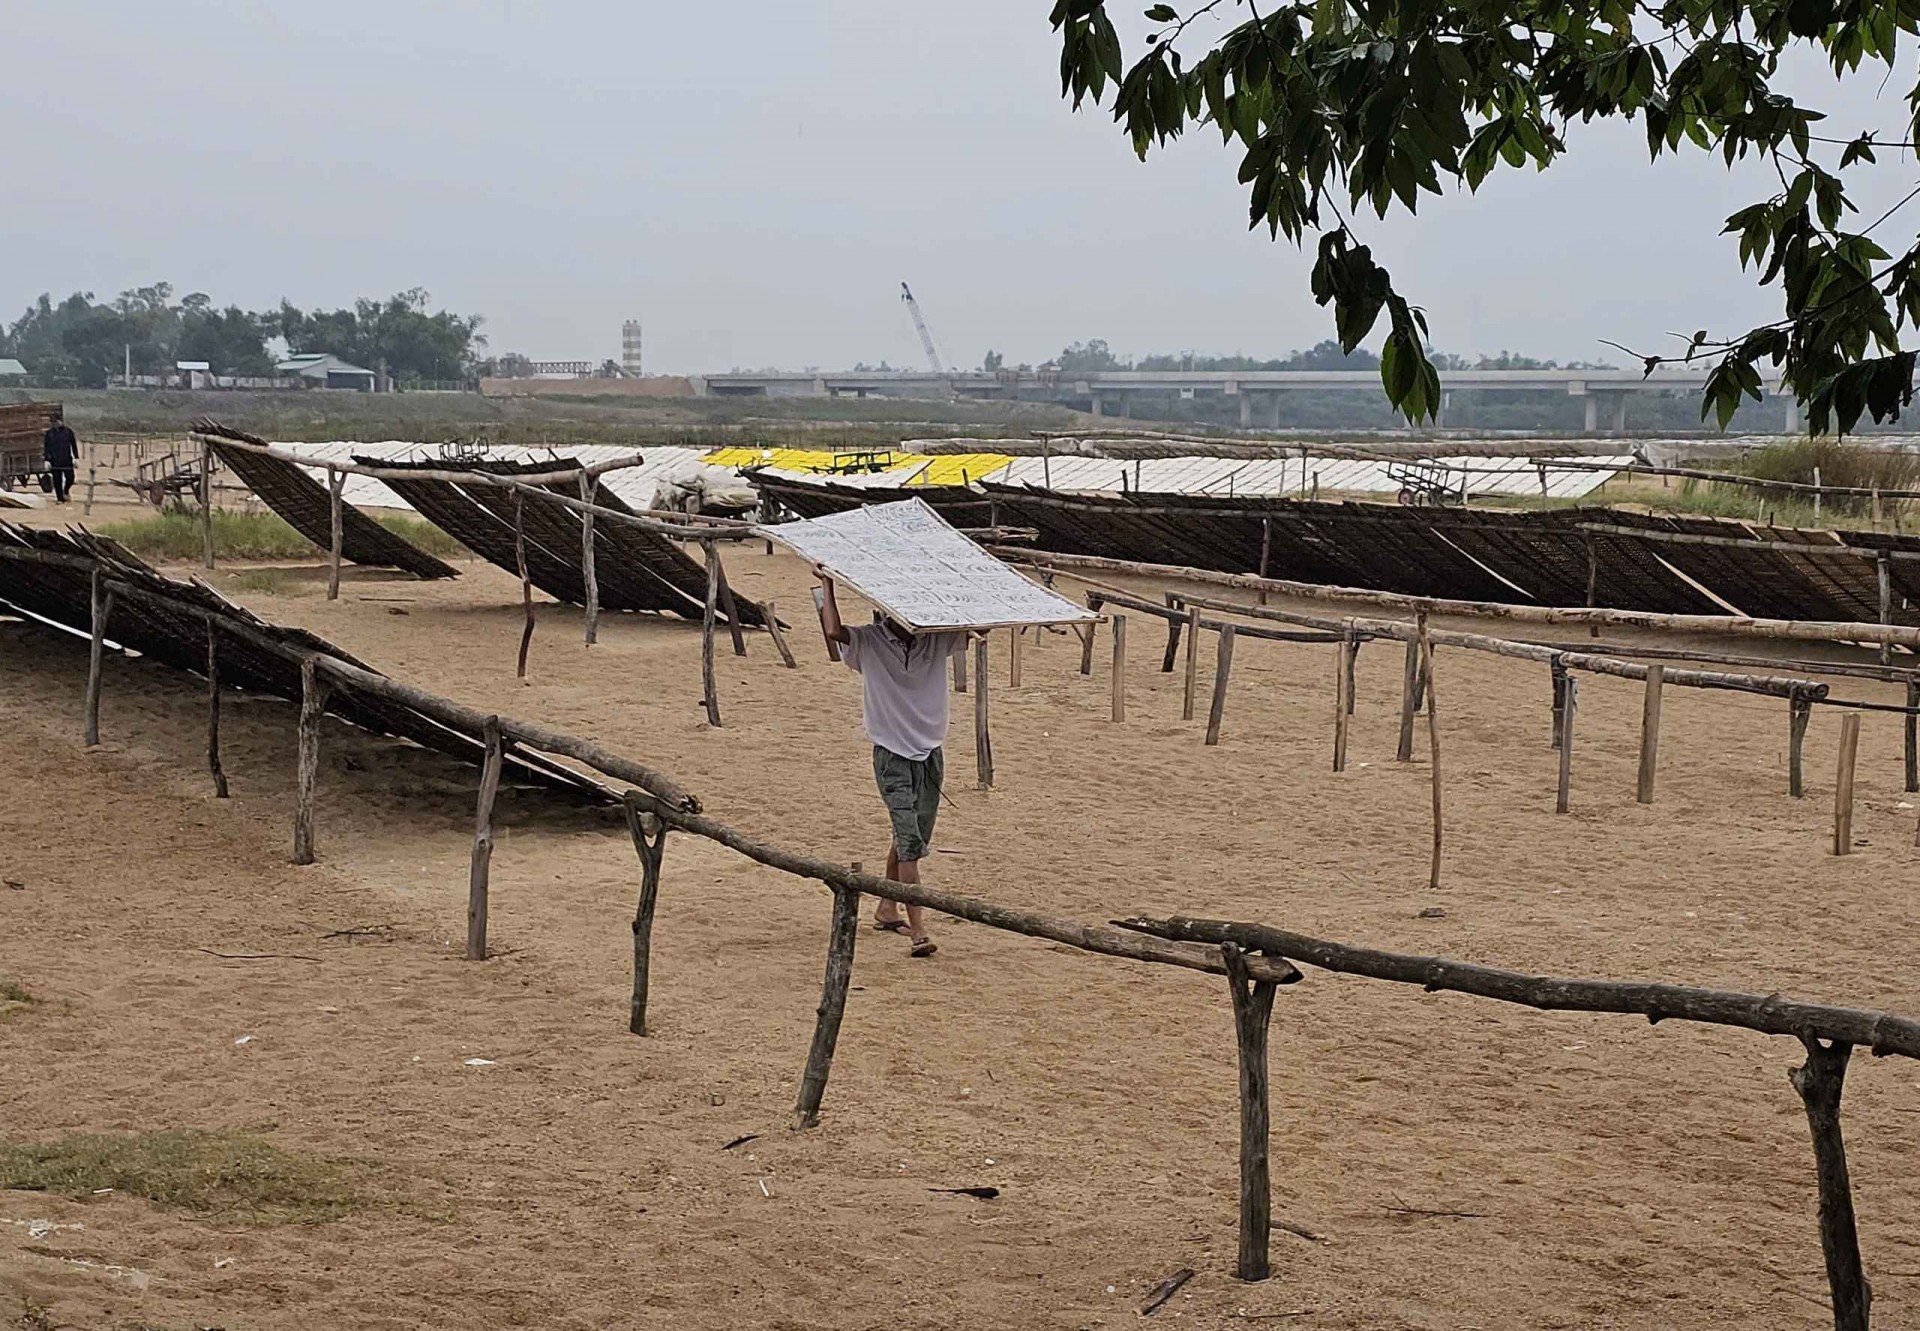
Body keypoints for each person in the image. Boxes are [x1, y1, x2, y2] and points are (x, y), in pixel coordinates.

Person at [815, 569, 970, 958]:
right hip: (891, 754)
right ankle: (919, 931)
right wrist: (829, 586)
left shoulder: (933, 639)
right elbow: (835, 633)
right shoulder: (869, 642)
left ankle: (887, 907)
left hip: (930, 751)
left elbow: (972, 629)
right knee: (910, 846)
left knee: (911, 836)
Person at [41, 418, 78, 505]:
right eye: (53, 422)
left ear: (61, 422)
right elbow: (46, 448)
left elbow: (73, 445)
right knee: (57, 481)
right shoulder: (49, 434)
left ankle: (66, 491)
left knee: (70, 478)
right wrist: (46, 460)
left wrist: (76, 458)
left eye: (56, 422)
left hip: (66, 459)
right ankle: (60, 498)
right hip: (54, 460)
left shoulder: (68, 432)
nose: (55, 424)